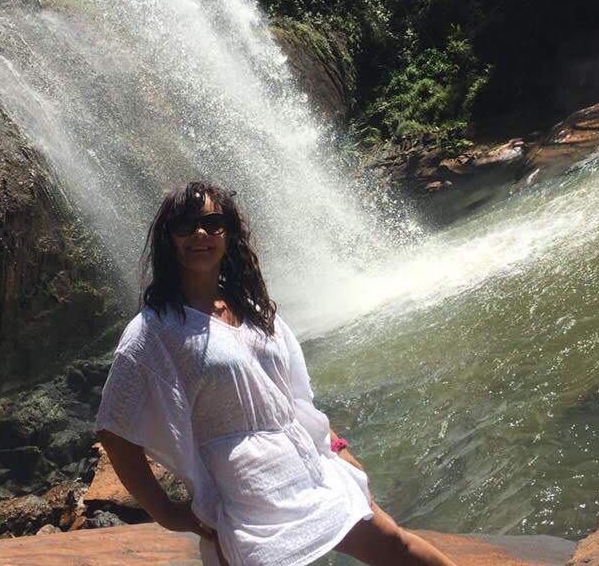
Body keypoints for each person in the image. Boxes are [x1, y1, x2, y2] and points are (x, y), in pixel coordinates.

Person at [94, 181, 457, 566]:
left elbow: (293, 396)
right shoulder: (154, 330)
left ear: (228, 233)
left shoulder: (250, 308)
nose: (200, 233)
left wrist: (337, 448)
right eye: (185, 225)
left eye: (212, 223)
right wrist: (167, 513)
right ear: (169, 238)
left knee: (396, 546)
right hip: (245, 497)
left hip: (308, 468)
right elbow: (114, 430)